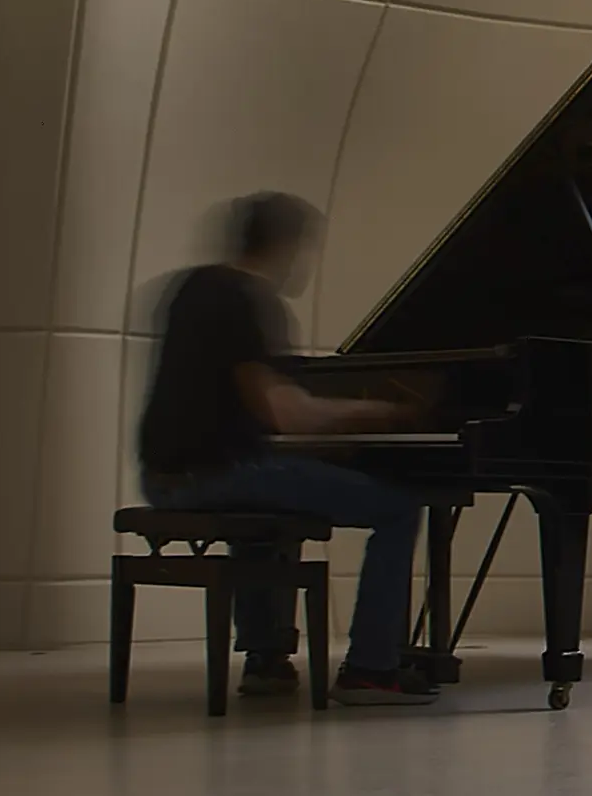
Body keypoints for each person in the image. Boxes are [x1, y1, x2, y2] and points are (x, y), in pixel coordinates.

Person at [137, 191, 434, 706]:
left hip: (164, 475)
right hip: (212, 476)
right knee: (399, 507)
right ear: (285, 245)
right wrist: (380, 412)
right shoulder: (244, 300)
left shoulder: (191, 288)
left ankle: (267, 661)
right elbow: (287, 415)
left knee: (267, 490)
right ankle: (370, 670)